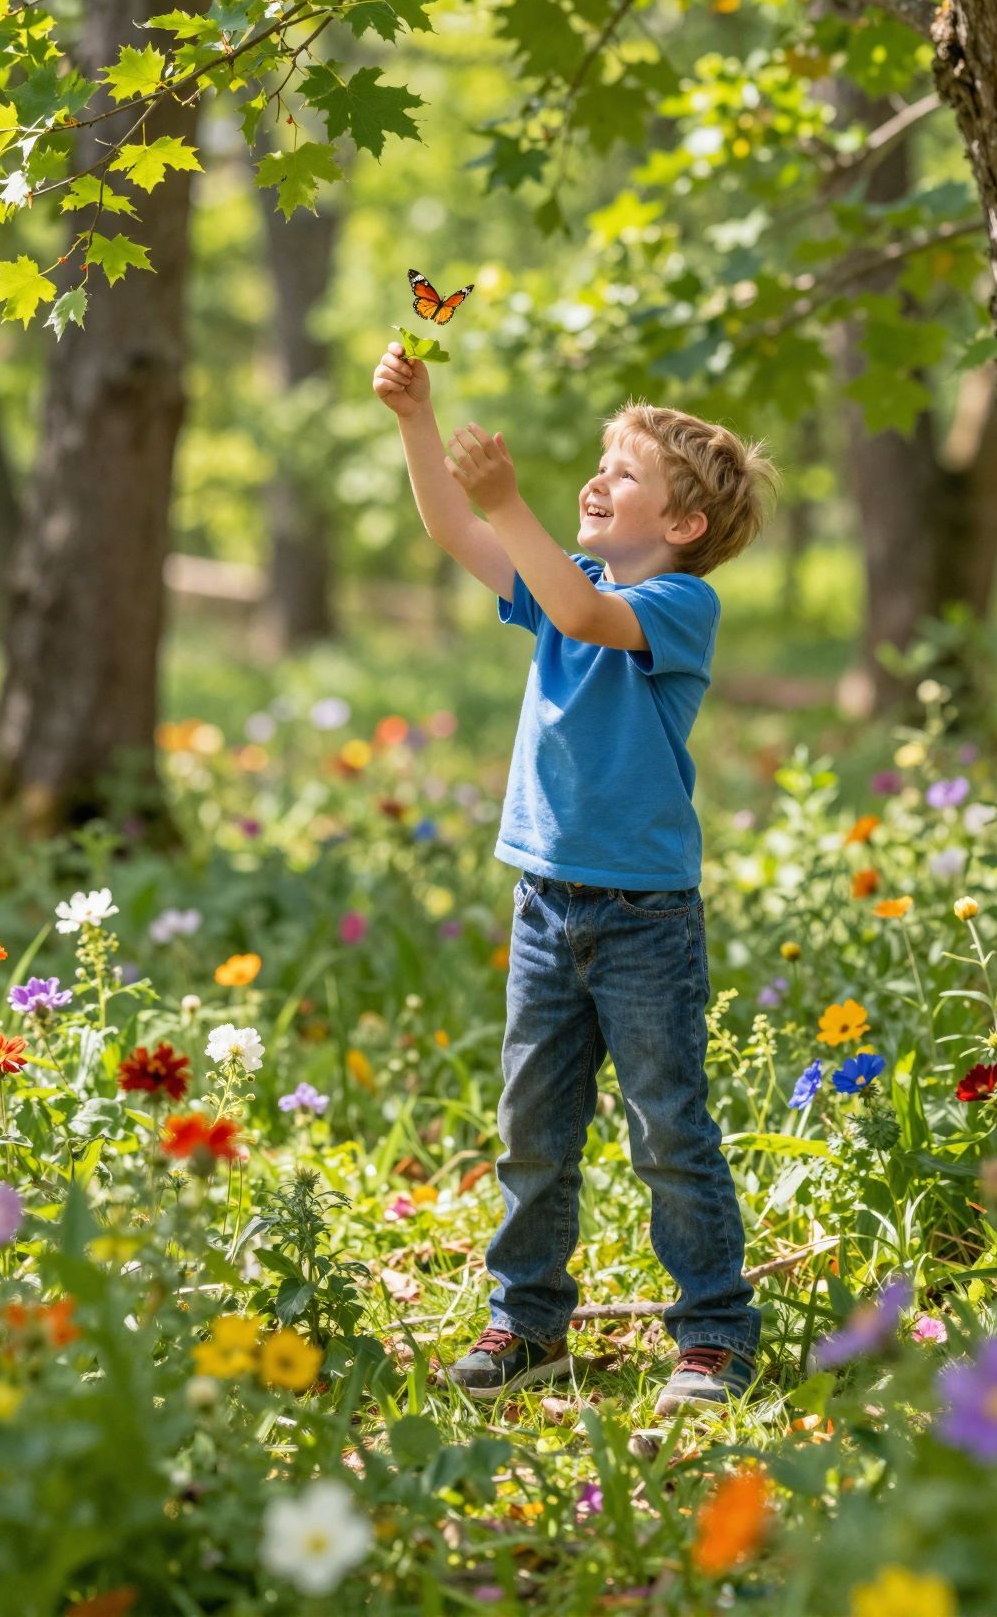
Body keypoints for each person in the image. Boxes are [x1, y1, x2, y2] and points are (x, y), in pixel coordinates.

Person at [373, 339, 779, 1415]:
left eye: (625, 471)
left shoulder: (679, 602)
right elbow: (455, 529)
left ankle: (714, 1332)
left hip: (644, 916)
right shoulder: (574, 577)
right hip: (549, 903)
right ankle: (528, 1320)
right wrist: (421, 421)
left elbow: (586, 618)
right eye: (600, 461)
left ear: (683, 525)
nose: (597, 479)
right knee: (531, 1127)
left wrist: (512, 504)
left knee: (666, 1125)